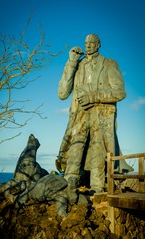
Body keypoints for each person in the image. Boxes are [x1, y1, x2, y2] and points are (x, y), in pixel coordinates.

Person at [56, 33, 129, 202]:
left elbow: (120, 92)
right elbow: (62, 94)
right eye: (86, 43)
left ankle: (97, 188)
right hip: (79, 115)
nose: (88, 45)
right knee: (76, 147)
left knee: (98, 148)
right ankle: (69, 183)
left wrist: (94, 96)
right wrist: (72, 62)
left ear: (99, 44)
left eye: (92, 42)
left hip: (100, 115)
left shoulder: (109, 64)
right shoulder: (77, 65)